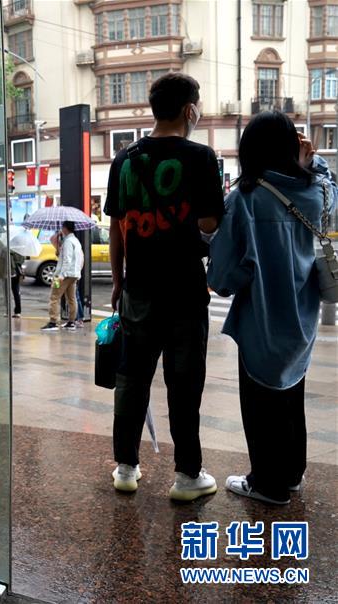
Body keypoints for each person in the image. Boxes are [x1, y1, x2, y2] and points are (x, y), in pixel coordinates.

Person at [104, 72, 223, 501]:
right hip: (185, 291)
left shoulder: (124, 159)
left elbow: (117, 228)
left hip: (138, 291)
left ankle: (125, 467)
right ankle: (187, 476)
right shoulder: (201, 157)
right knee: (184, 384)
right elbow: (209, 223)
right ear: (189, 110)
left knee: (131, 380)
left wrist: (118, 281)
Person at [208, 112, 335, 505]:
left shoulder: (245, 199)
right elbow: (330, 184)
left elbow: (222, 278)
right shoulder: (315, 192)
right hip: (303, 319)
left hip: (262, 322)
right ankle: (292, 473)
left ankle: (268, 484)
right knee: (292, 395)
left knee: (261, 404)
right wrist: (313, 161)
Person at [41, 221, 83, 331]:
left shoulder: (68, 241)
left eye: (62, 227)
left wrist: (61, 275)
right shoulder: (75, 241)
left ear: (65, 228)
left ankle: (53, 322)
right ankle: (71, 322)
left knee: (54, 297)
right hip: (73, 275)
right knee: (71, 298)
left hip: (63, 275)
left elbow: (67, 260)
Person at [10, 250, 25, 319]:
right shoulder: (20, 250)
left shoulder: (11, 251)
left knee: (10, 292)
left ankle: (10, 311)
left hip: (12, 272)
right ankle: (18, 311)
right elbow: (22, 260)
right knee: (16, 292)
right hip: (18, 272)